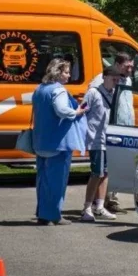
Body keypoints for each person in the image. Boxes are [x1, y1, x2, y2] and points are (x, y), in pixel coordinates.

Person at [32, 59, 88, 226]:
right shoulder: (59, 90)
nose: (69, 75)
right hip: (59, 142)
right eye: (66, 72)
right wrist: (77, 112)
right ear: (57, 72)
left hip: (41, 141)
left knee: (43, 181)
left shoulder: (40, 89)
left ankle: (43, 214)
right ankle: (54, 215)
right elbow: (62, 110)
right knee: (57, 181)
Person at [90, 52, 134, 213]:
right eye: (127, 65)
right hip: (108, 129)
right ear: (117, 64)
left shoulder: (128, 79)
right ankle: (98, 201)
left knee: (117, 165)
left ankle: (112, 199)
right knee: (103, 168)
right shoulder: (101, 79)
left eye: (132, 65)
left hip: (125, 128)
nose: (131, 68)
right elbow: (93, 99)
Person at [81, 66, 122, 222]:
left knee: (105, 173)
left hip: (108, 139)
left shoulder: (114, 94)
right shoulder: (93, 93)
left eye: (118, 80)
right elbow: (82, 110)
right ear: (105, 77)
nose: (116, 83)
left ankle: (99, 206)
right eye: (113, 79)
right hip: (96, 139)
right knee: (96, 173)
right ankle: (86, 207)